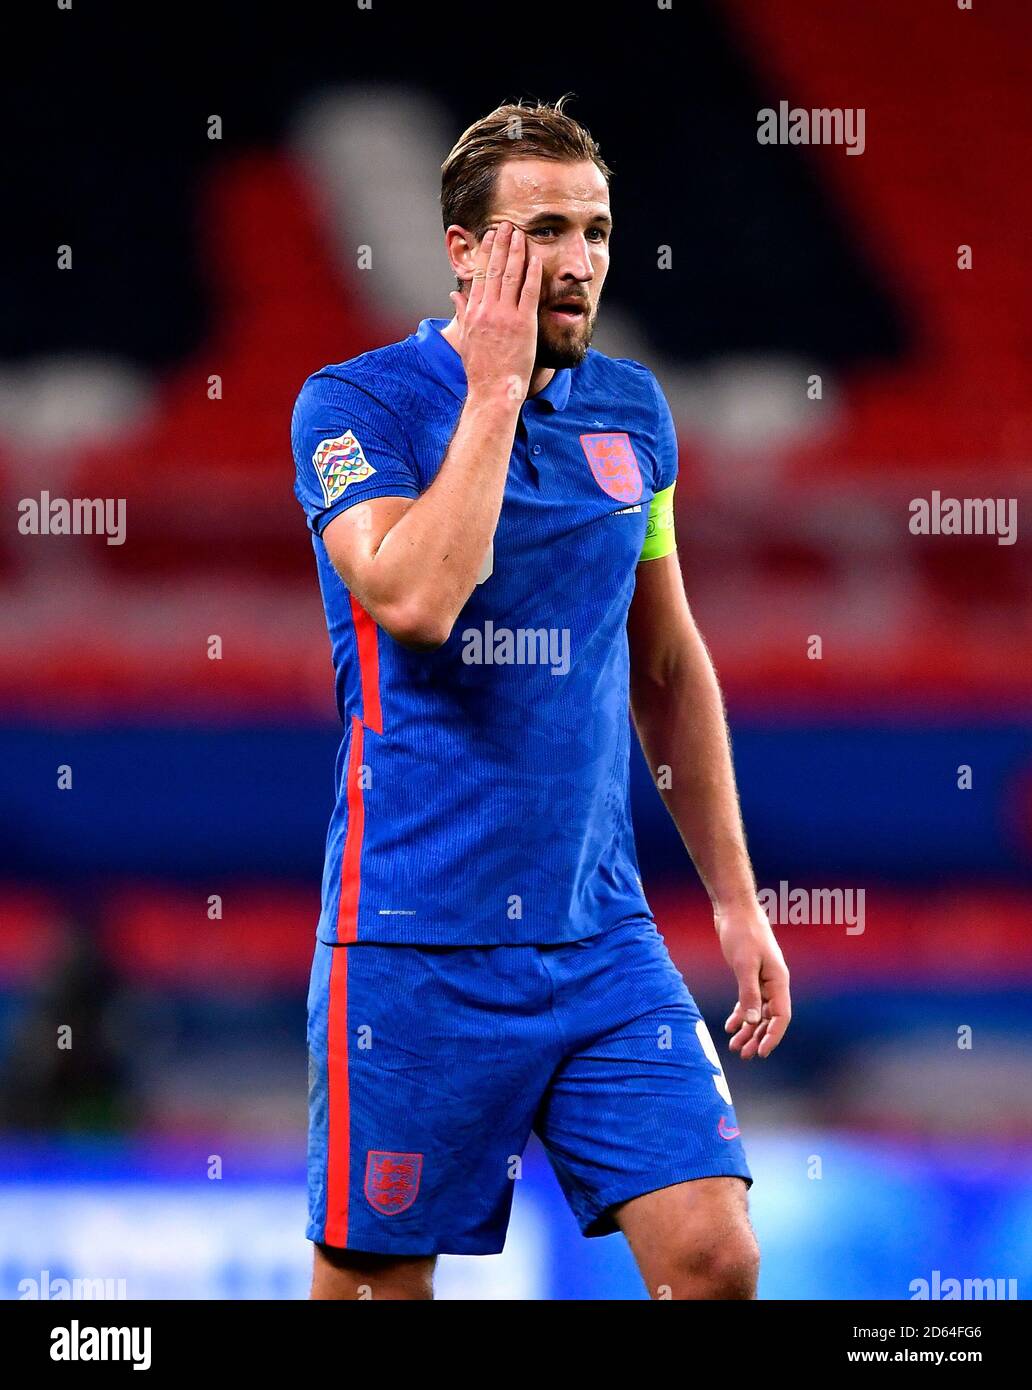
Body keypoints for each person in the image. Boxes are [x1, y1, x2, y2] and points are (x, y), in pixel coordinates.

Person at [291, 98, 791, 1300]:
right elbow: (417, 598)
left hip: (599, 933)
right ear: (464, 251)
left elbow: (664, 665)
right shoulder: (355, 408)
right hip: (415, 943)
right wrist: (496, 391)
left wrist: (735, 901)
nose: (577, 263)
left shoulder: (633, 415)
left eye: (598, 231)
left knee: (716, 1260)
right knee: (375, 1288)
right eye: (543, 231)